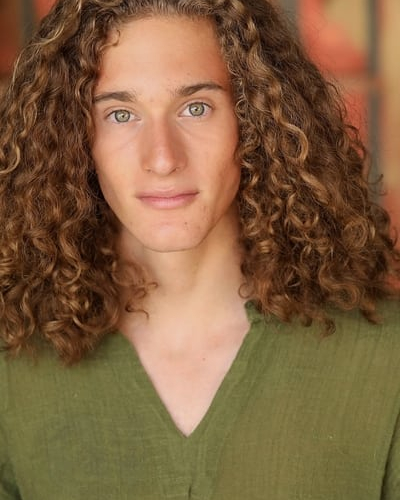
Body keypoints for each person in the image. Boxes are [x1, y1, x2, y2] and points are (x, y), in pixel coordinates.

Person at [0, 0, 399, 498]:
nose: (162, 158)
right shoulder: (14, 367)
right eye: (121, 114)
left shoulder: (384, 360)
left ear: (253, 121)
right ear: (74, 138)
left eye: (196, 108)